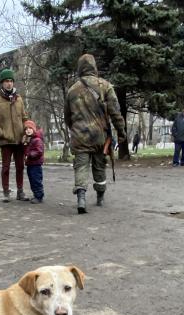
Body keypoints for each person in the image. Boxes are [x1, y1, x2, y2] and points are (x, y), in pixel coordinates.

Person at [64, 53, 126, 214]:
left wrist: (76, 129)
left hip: (80, 137)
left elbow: (67, 117)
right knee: (99, 167)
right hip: (100, 136)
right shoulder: (105, 86)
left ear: (80, 68)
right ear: (94, 67)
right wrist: (121, 131)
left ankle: (81, 199)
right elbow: (116, 113)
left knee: (81, 167)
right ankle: (100, 197)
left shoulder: (72, 90)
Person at [0, 68, 29, 202]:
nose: (9, 84)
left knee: (20, 167)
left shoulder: (19, 99)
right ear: (2, 83)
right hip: (6, 141)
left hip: (19, 139)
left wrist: (27, 130)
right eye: (6, 81)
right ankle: (6, 192)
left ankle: (20, 191)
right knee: (6, 167)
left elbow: (24, 118)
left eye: (11, 81)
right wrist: (3, 134)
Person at [22, 119, 44, 204]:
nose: (28, 130)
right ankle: (36, 195)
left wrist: (30, 154)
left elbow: (39, 151)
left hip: (36, 164)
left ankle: (39, 196)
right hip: (30, 164)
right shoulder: (28, 139)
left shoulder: (37, 140)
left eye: (30, 128)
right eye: (26, 129)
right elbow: (25, 149)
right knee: (32, 180)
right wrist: (24, 143)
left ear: (33, 129)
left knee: (36, 180)